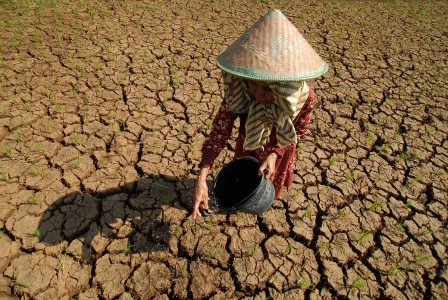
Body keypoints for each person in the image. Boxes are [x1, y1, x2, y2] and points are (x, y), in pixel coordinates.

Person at [192, 10, 328, 219]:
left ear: (282, 86)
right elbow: (219, 131)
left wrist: (275, 153)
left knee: (268, 187)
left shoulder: (301, 97)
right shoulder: (241, 93)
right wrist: (202, 177)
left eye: (266, 89)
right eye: (252, 85)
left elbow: (299, 131)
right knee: (244, 177)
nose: (258, 94)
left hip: (280, 148)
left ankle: (263, 199)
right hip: (249, 145)